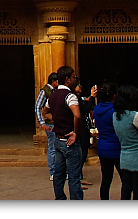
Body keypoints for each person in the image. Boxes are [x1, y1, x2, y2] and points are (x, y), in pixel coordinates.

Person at [42, 65, 83, 200]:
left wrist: (56, 120)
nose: (75, 80)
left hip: (58, 139)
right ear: (67, 79)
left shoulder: (53, 96)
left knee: (59, 174)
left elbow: (44, 112)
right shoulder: (70, 96)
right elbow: (77, 115)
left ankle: (60, 198)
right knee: (74, 176)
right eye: (74, 77)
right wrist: (75, 132)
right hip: (69, 140)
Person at [111, 84, 138, 199]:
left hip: (124, 156)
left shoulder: (115, 115)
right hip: (137, 157)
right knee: (137, 190)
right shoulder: (135, 116)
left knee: (126, 188)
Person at [92, 82, 123, 200]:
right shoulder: (115, 111)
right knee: (125, 179)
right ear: (114, 96)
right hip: (116, 147)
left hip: (103, 147)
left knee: (106, 180)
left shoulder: (97, 109)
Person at [35, 72, 59, 180]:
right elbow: (38, 107)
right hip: (51, 124)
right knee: (53, 147)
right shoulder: (45, 91)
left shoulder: (56, 91)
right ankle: (53, 171)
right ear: (54, 82)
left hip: (57, 124)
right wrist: (42, 123)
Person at [74, 78, 96, 189]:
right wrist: (92, 96)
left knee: (83, 153)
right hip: (80, 129)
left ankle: (78, 177)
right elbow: (86, 109)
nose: (80, 87)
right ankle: (76, 178)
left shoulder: (78, 98)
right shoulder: (74, 99)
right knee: (80, 154)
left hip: (83, 129)